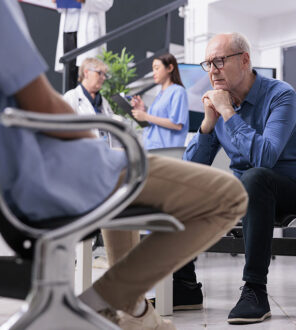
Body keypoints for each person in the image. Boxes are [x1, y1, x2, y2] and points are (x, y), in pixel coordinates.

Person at [0, 2, 248, 329]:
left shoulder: (175, 94)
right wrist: (96, 136)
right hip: (52, 171)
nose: (104, 77)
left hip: (16, 178)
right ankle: (102, 303)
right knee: (229, 196)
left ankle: (133, 310)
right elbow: (42, 103)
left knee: (123, 181)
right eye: (99, 73)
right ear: (84, 74)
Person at [183, 32, 296, 324]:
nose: (213, 70)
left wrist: (228, 112)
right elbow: (191, 169)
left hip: (293, 192)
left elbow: (265, 158)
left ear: (245, 60)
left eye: (219, 60)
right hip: (247, 194)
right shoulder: (219, 105)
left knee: (256, 177)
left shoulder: (281, 95)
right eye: (208, 64)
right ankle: (184, 286)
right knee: (185, 187)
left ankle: (255, 290)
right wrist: (208, 122)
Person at [131, 53, 189, 150]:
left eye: (157, 68)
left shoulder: (178, 91)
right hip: (152, 149)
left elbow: (177, 124)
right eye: (153, 69)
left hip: (167, 152)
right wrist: (143, 110)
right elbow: (155, 121)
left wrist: (146, 116)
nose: (154, 72)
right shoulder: (160, 94)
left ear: (170, 68)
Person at [54, 0, 113, 91]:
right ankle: (69, 105)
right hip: (68, 31)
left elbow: (107, 3)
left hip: (88, 34)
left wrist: (85, 1)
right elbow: (60, 8)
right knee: (69, 82)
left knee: (89, 81)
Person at [63, 57, 116, 145]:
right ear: (86, 73)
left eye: (105, 75)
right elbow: (64, 129)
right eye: (99, 73)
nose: (103, 78)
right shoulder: (71, 97)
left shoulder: (104, 102)